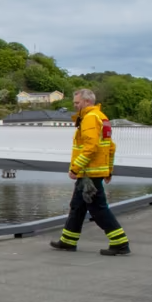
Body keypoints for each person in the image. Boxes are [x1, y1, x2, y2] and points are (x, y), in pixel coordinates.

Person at [50, 88, 130, 256]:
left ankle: (120, 243)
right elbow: (110, 147)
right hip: (94, 171)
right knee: (77, 207)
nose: (74, 106)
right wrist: (108, 169)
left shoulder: (89, 118)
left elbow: (90, 147)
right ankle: (68, 241)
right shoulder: (102, 117)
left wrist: (75, 168)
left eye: (77, 103)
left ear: (87, 102)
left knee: (98, 209)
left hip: (88, 173)